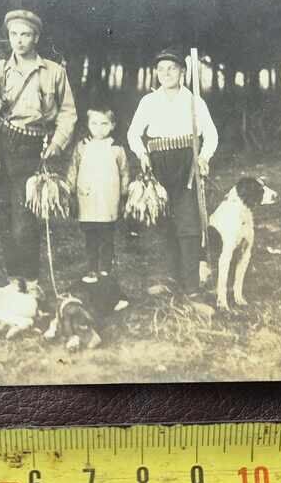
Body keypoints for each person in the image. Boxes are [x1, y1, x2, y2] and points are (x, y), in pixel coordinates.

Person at [0, 9, 77, 289]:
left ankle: (31, 282)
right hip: (1, 147)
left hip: (33, 149)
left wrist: (57, 143)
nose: (19, 40)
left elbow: (68, 113)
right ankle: (13, 280)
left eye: (25, 34)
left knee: (24, 222)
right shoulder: (0, 69)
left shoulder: (54, 72)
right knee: (5, 217)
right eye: (14, 34)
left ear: (36, 38)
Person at [127, 47, 219, 297]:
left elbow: (211, 135)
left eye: (172, 68)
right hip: (157, 164)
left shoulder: (194, 101)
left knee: (188, 222)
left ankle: (191, 285)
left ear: (182, 72)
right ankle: (169, 278)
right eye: (161, 69)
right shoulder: (149, 102)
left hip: (187, 162)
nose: (166, 73)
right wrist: (142, 154)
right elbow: (133, 133)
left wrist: (203, 157)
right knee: (163, 220)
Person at [67, 105, 130, 283]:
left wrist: (124, 193)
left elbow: (125, 172)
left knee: (106, 235)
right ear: (88, 124)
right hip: (87, 197)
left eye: (104, 124)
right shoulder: (82, 146)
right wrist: (70, 189)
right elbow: (73, 168)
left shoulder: (116, 148)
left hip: (108, 198)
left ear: (112, 125)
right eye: (94, 123)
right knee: (90, 235)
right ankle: (92, 268)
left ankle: (105, 269)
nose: (99, 128)